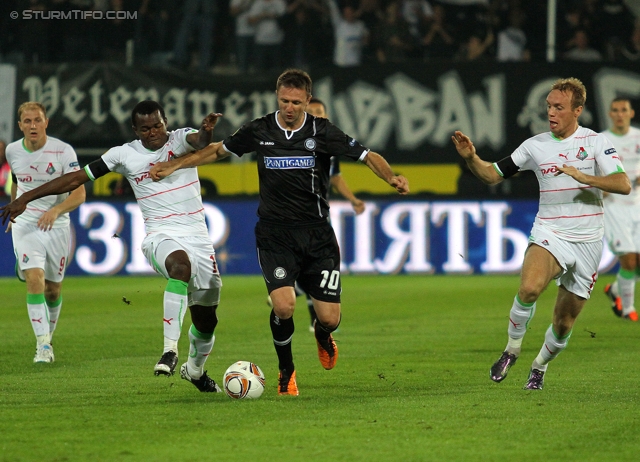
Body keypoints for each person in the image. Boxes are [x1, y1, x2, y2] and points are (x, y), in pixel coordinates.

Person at [148, 68, 409, 396]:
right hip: (275, 235)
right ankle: (286, 370)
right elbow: (216, 151)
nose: (289, 107)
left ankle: (323, 336)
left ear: (307, 101)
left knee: (329, 318)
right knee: (284, 306)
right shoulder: (260, 129)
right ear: (278, 97)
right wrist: (174, 165)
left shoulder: (322, 131)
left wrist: (392, 178)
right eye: (284, 100)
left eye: (296, 102)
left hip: (317, 235)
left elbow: (367, 156)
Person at [1, 101, 224, 393]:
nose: (153, 132)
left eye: (157, 125)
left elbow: (200, 141)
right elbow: (75, 178)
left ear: (165, 122)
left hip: (199, 238)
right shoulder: (124, 154)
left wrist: (206, 131)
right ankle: (170, 349)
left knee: (207, 321)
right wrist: (25, 197)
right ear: (135, 130)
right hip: (160, 235)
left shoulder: (180, 139)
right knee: (180, 267)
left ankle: (194, 371)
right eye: (145, 128)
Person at [452, 77, 631, 390]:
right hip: (550, 230)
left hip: (588, 241)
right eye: (549, 106)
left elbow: (622, 184)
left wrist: (582, 175)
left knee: (563, 324)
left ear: (577, 110)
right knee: (530, 288)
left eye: (558, 107)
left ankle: (539, 366)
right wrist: (471, 158)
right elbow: (492, 175)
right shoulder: (535, 146)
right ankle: (511, 349)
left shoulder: (596, 142)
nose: (551, 112)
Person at [269, 97, 366, 332]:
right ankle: (289, 288)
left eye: (320, 112)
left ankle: (304, 302)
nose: (317, 116)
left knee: (319, 266)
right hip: (290, 220)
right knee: (309, 266)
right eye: (312, 112)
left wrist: (352, 199)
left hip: (319, 216)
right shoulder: (292, 142)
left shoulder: (329, 144)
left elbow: (335, 177)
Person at [4, 102, 86, 363]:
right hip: (27, 223)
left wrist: (57, 210)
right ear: (20, 126)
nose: (32, 126)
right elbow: (17, 182)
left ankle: (47, 338)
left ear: (46, 122)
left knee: (53, 290)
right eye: (27, 121)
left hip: (56, 226)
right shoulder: (12, 151)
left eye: (37, 120)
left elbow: (80, 193)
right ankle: (43, 346)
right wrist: (15, 209)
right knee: (35, 279)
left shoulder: (63, 151)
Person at [602, 98, 640, 322]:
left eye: (623, 110)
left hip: (637, 204)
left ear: (631, 113)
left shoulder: (638, 137)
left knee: (638, 263)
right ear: (610, 114)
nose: (619, 114)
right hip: (614, 206)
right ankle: (628, 309)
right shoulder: (601, 140)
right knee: (628, 260)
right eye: (615, 110)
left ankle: (616, 290)